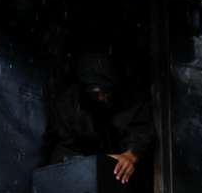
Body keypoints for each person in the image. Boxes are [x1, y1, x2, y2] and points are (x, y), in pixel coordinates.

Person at [47, 52, 155, 185]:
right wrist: (94, 160)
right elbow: (64, 149)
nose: (102, 97)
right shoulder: (70, 106)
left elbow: (142, 131)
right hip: (80, 180)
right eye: (96, 92)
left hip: (122, 182)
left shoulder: (129, 98)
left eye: (106, 91)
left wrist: (131, 154)